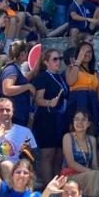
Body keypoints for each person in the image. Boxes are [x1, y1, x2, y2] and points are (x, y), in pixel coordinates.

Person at [31, 47, 69, 184]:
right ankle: (48, 187)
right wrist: (49, 102)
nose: (58, 62)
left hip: (60, 120)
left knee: (59, 155)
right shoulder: (42, 77)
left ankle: (56, 185)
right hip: (46, 120)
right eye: (54, 59)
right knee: (48, 155)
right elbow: (37, 98)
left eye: (59, 58)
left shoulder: (61, 76)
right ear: (46, 62)